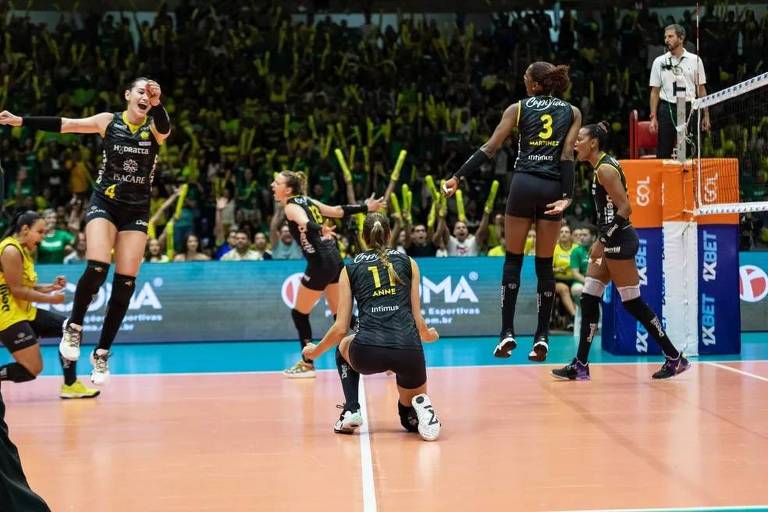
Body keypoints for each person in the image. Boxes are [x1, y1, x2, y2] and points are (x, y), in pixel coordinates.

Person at [1, 77, 172, 385]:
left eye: (150, 92)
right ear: (127, 95)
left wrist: (159, 104)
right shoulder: (108, 121)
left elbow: (165, 127)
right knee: (96, 267)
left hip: (136, 210)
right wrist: (21, 120)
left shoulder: (155, 128)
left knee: (126, 284)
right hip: (105, 203)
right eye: (140, 91)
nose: (145, 95)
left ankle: (102, 352)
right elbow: (66, 124)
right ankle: (74, 327)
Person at [443, 61, 581, 362]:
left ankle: (506, 332)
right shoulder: (572, 111)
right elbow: (568, 153)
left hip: (523, 184)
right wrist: (567, 197)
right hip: (552, 188)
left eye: (525, 78)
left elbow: (490, 148)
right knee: (545, 266)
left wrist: (458, 176)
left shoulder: (517, 108)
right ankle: (542, 337)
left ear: (534, 85)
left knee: (513, 261)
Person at [552, 122, 690, 380]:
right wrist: (601, 240)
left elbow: (626, 208)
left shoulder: (604, 169)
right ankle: (581, 364)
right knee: (589, 297)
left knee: (633, 304)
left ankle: (674, 357)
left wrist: (602, 239)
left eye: (580, 138)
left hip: (618, 241)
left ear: (593, 142)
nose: (575, 143)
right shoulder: (600, 167)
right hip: (607, 240)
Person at [302, 213, 441, 441]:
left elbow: (340, 328)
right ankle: (420, 404)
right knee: (408, 421)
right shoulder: (409, 263)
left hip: (367, 352)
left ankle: (351, 410)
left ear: (364, 237)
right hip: (408, 350)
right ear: (388, 234)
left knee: (343, 346)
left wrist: (314, 352)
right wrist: (428, 335)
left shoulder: (350, 269)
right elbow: (418, 320)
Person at [271, 171, 384, 378]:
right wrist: (366, 207)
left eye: (276, 183)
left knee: (299, 313)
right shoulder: (308, 200)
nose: (272, 185)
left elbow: (304, 222)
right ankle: (383, 347)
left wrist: (319, 228)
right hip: (334, 259)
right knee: (342, 316)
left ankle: (307, 363)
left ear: (287, 189)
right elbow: (337, 211)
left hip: (320, 264)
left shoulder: (291, 206)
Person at [0, 211, 99, 399]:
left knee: (71, 330)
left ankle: (70, 386)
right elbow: (17, 291)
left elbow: (25, 285)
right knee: (32, 370)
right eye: (40, 232)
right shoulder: (10, 250)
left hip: (24, 312)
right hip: (8, 317)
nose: (43, 237)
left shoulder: (24, 250)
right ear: (25, 229)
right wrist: (51, 299)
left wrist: (50, 287)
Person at [649, 24, 710, 158]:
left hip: (688, 108)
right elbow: (654, 91)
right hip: (667, 108)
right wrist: (653, 117)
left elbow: (701, 89)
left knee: (686, 153)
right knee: (663, 152)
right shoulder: (659, 62)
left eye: (670, 36)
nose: (666, 40)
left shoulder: (695, 60)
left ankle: (687, 179)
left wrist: (706, 115)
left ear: (681, 38)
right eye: (665, 37)